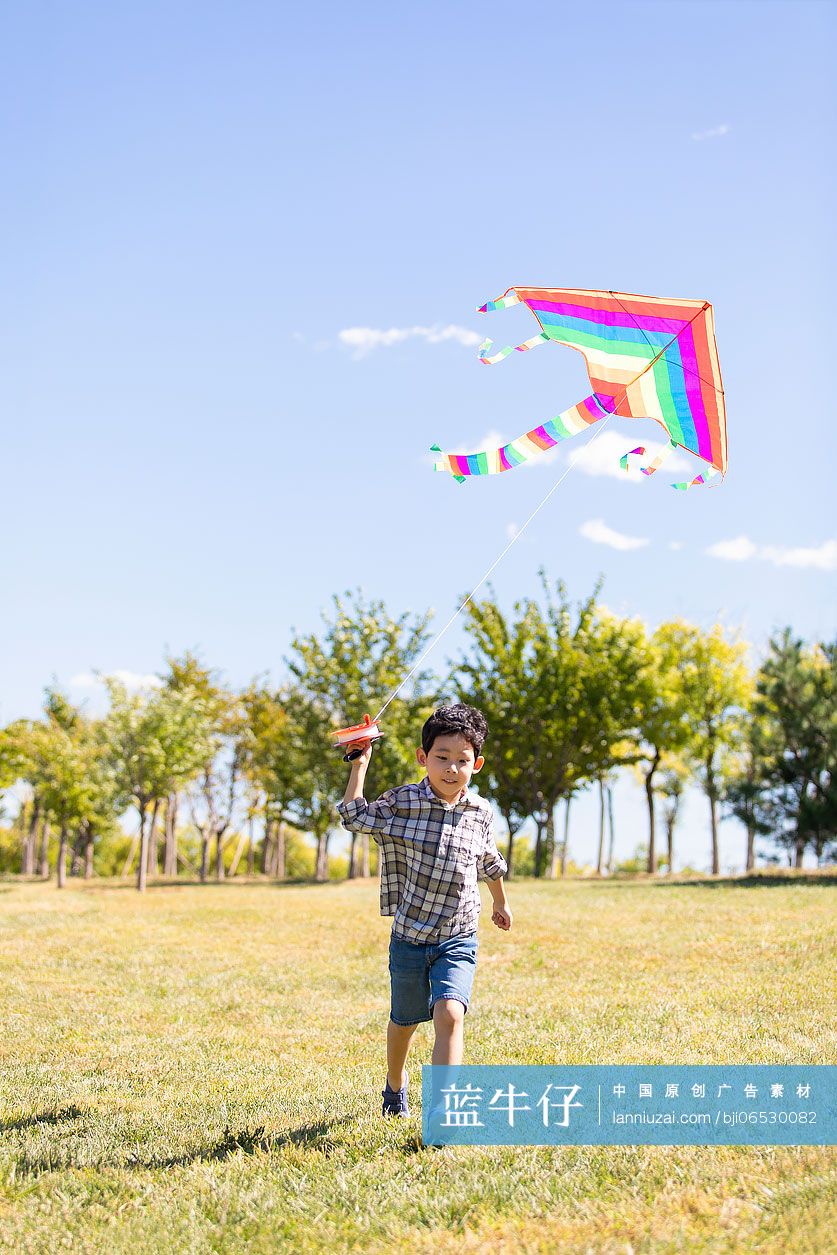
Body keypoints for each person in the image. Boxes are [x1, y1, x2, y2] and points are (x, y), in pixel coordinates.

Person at [336, 703, 512, 1119]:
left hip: (458, 934)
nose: (452, 769)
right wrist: (359, 765)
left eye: (462, 761)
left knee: (450, 1013)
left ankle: (442, 1111)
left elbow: (489, 860)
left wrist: (500, 902)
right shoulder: (404, 803)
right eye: (442, 758)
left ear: (477, 764)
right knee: (404, 1021)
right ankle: (394, 1086)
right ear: (423, 757)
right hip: (411, 937)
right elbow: (354, 817)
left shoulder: (481, 812)